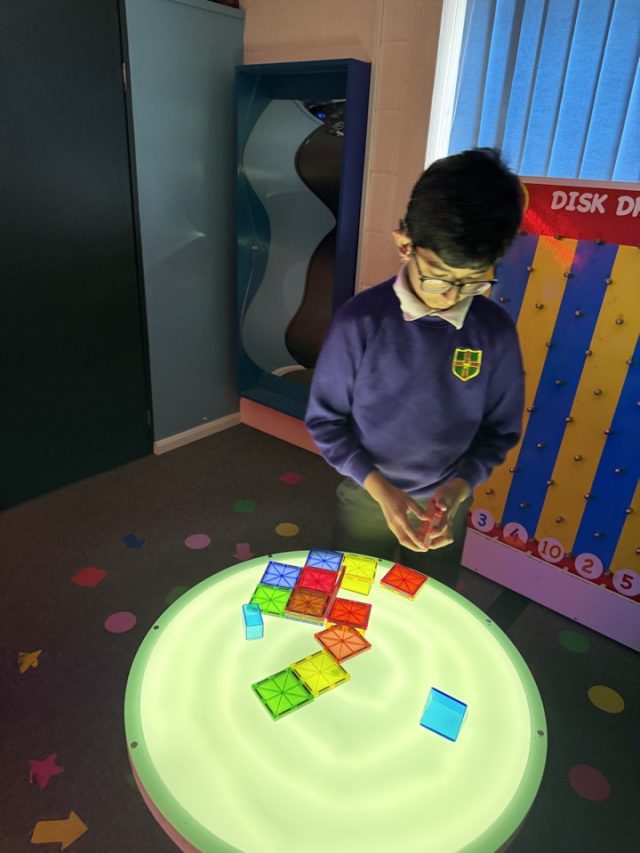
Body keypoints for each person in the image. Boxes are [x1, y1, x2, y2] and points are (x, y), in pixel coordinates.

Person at [304, 147, 525, 587]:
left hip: (445, 501)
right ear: (404, 243)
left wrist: (460, 486)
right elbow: (325, 421)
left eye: (474, 281)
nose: (452, 295)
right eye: (439, 276)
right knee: (353, 588)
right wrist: (380, 490)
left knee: (426, 595)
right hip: (367, 492)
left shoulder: (494, 332)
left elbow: (499, 430)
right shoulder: (360, 321)